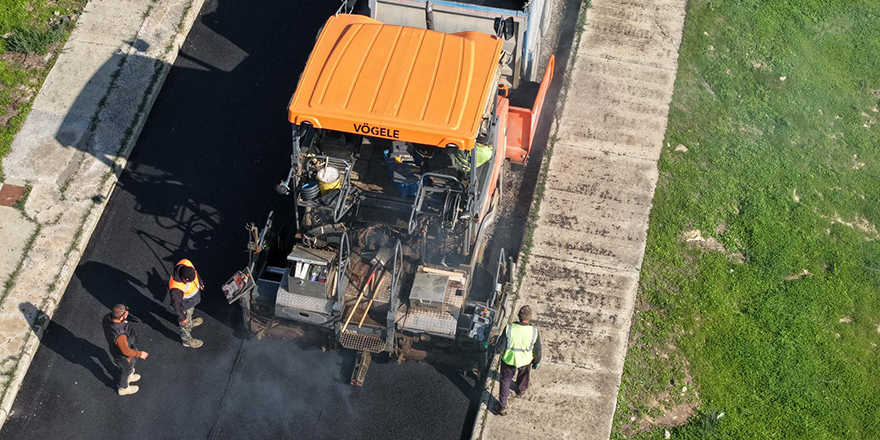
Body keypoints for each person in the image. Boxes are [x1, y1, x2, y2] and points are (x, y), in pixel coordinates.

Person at [494, 305, 542, 416]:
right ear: (529, 318)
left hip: (509, 360)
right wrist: (536, 362)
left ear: (519, 317)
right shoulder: (534, 332)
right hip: (525, 361)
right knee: (524, 375)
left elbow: (499, 349)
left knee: (505, 381)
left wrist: (490, 347)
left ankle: (502, 407)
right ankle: (521, 389)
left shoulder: (509, 329)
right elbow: (538, 351)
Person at [102, 304, 149, 396]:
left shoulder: (107, 317)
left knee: (129, 366)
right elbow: (125, 351)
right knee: (126, 369)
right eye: (126, 314)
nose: (127, 315)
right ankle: (123, 387)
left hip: (116, 349)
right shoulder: (120, 335)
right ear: (120, 317)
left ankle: (129, 375)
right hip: (123, 356)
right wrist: (139, 354)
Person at [169, 258, 204, 348]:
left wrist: (200, 282)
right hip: (184, 306)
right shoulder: (177, 288)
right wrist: (182, 317)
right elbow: (176, 305)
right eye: (189, 281)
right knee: (184, 323)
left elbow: (196, 274)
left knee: (190, 313)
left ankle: (189, 323)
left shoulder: (187, 264)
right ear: (183, 278)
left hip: (190, 302)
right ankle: (187, 340)